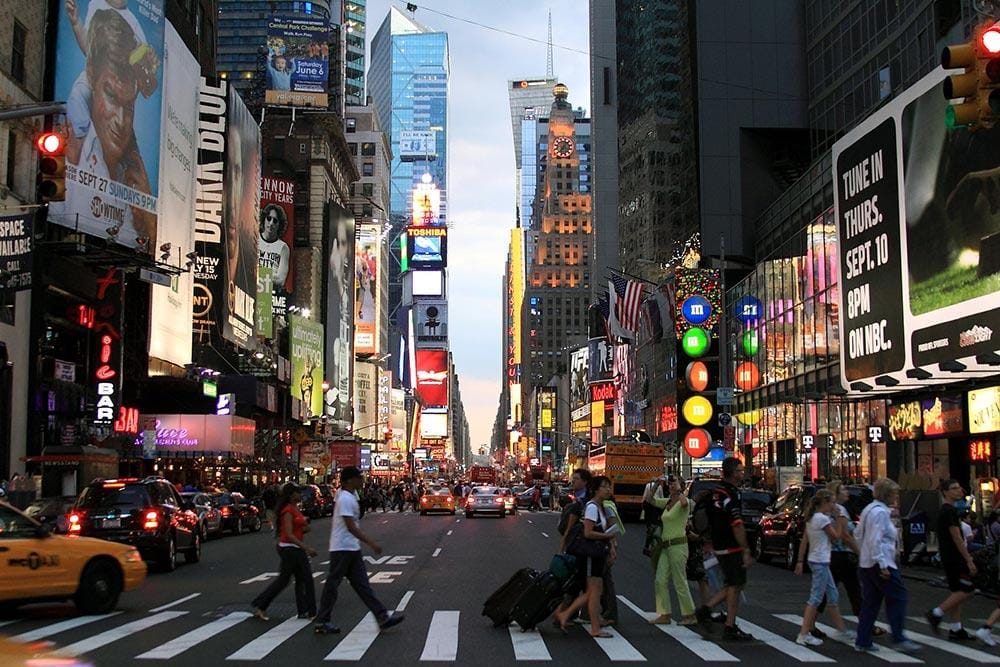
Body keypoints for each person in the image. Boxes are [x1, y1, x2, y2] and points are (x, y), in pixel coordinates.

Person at [314, 467, 404, 635]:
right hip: (342, 548)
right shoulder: (345, 498)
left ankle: (382, 617)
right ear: (350, 480)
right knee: (333, 584)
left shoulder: (348, 496)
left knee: (362, 586)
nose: (362, 480)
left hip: (350, 548)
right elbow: (350, 526)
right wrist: (371, 542)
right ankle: (322, 620)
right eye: (359, 477)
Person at [854, 478, 921, 654]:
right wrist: (882, 564)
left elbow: (859, 535)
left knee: (871, 602)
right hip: (881, 563)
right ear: (888, 494)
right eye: (895, 493)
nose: (897, 497)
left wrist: (863, 554)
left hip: (867, 563)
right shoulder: (881, 513)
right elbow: (875, 539)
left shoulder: (869, 510)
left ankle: (863, 640)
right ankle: (898, 637)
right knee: (898, 597)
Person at [695, 457, 754, 640]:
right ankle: (728, 625)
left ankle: (707, 610)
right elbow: (737, 524)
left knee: (733, 584)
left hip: (719, 544)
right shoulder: (730, 494)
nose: (742, 474)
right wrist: (745, 548)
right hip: (731, 546)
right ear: (733, 473)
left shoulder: (716, 492)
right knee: (735, 585)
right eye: (740, 471)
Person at [553, 476, 618, 638]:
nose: (608, 490)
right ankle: (593, 627)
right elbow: (588, 532)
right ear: (595, 490)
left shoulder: (601, 507)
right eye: (604, 487)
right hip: (590, 555)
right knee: (593, 592)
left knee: (593, 592)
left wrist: (610, 545)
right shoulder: (592, 507)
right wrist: (608, 536)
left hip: (597, 555)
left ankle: (565, 614)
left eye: (608, 487)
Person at [251, 484, 317, 620]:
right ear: (292, 495)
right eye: (298, 492)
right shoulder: (287, 510)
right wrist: (306, 548)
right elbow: (289, 534)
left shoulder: (294, 508)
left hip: (293, 548)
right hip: (290, 549)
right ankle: (310, 611)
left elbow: (295, 530)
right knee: (302, 579)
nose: (301, 495)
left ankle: (304, 610)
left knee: (296, 580)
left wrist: (305, 527)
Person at [794, 489, 851, 646]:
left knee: (832, 595)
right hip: (820, 561)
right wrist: (838, 519)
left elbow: (805, 540)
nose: (834, 505)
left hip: (817, 560)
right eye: (832, 502)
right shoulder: (822, 519)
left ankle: (841, 630)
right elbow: (836, 537)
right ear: (825, 502)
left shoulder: (812, 518)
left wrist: (800, 561)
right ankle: (803, 633)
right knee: (816, 598)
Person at [926, 479, 977, 641]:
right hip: (955, 557)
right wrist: (968, 559)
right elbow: (956, 537)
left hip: (949, 556)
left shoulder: (948, 510)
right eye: (954, 488)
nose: (959, 490)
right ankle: (936, 613)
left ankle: (956, 628)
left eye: (959, 487)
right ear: (945, 492)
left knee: (956, 591)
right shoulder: (949, 511)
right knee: (968, 589)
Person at [643, 474, 697, 625]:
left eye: (675, 483)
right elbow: (650, 500)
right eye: (670, 483)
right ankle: (664, 614)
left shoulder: (684, 501)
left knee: (680, 580)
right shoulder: (667, 502)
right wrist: (656, 484)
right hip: (665, 546)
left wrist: (680, 490)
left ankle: (689, 614)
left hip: (678, 545)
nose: (671, 485)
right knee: (660, 580)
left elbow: (684, 504)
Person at [259, 204, 290, 288]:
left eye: (275, 221)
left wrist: (257, 275)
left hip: (271, 292)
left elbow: (280, 280)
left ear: (279, 225)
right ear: (264, 219)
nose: (271, 223)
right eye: (269, 218)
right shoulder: (254, 239)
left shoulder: (283, 248)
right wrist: (270, 276)